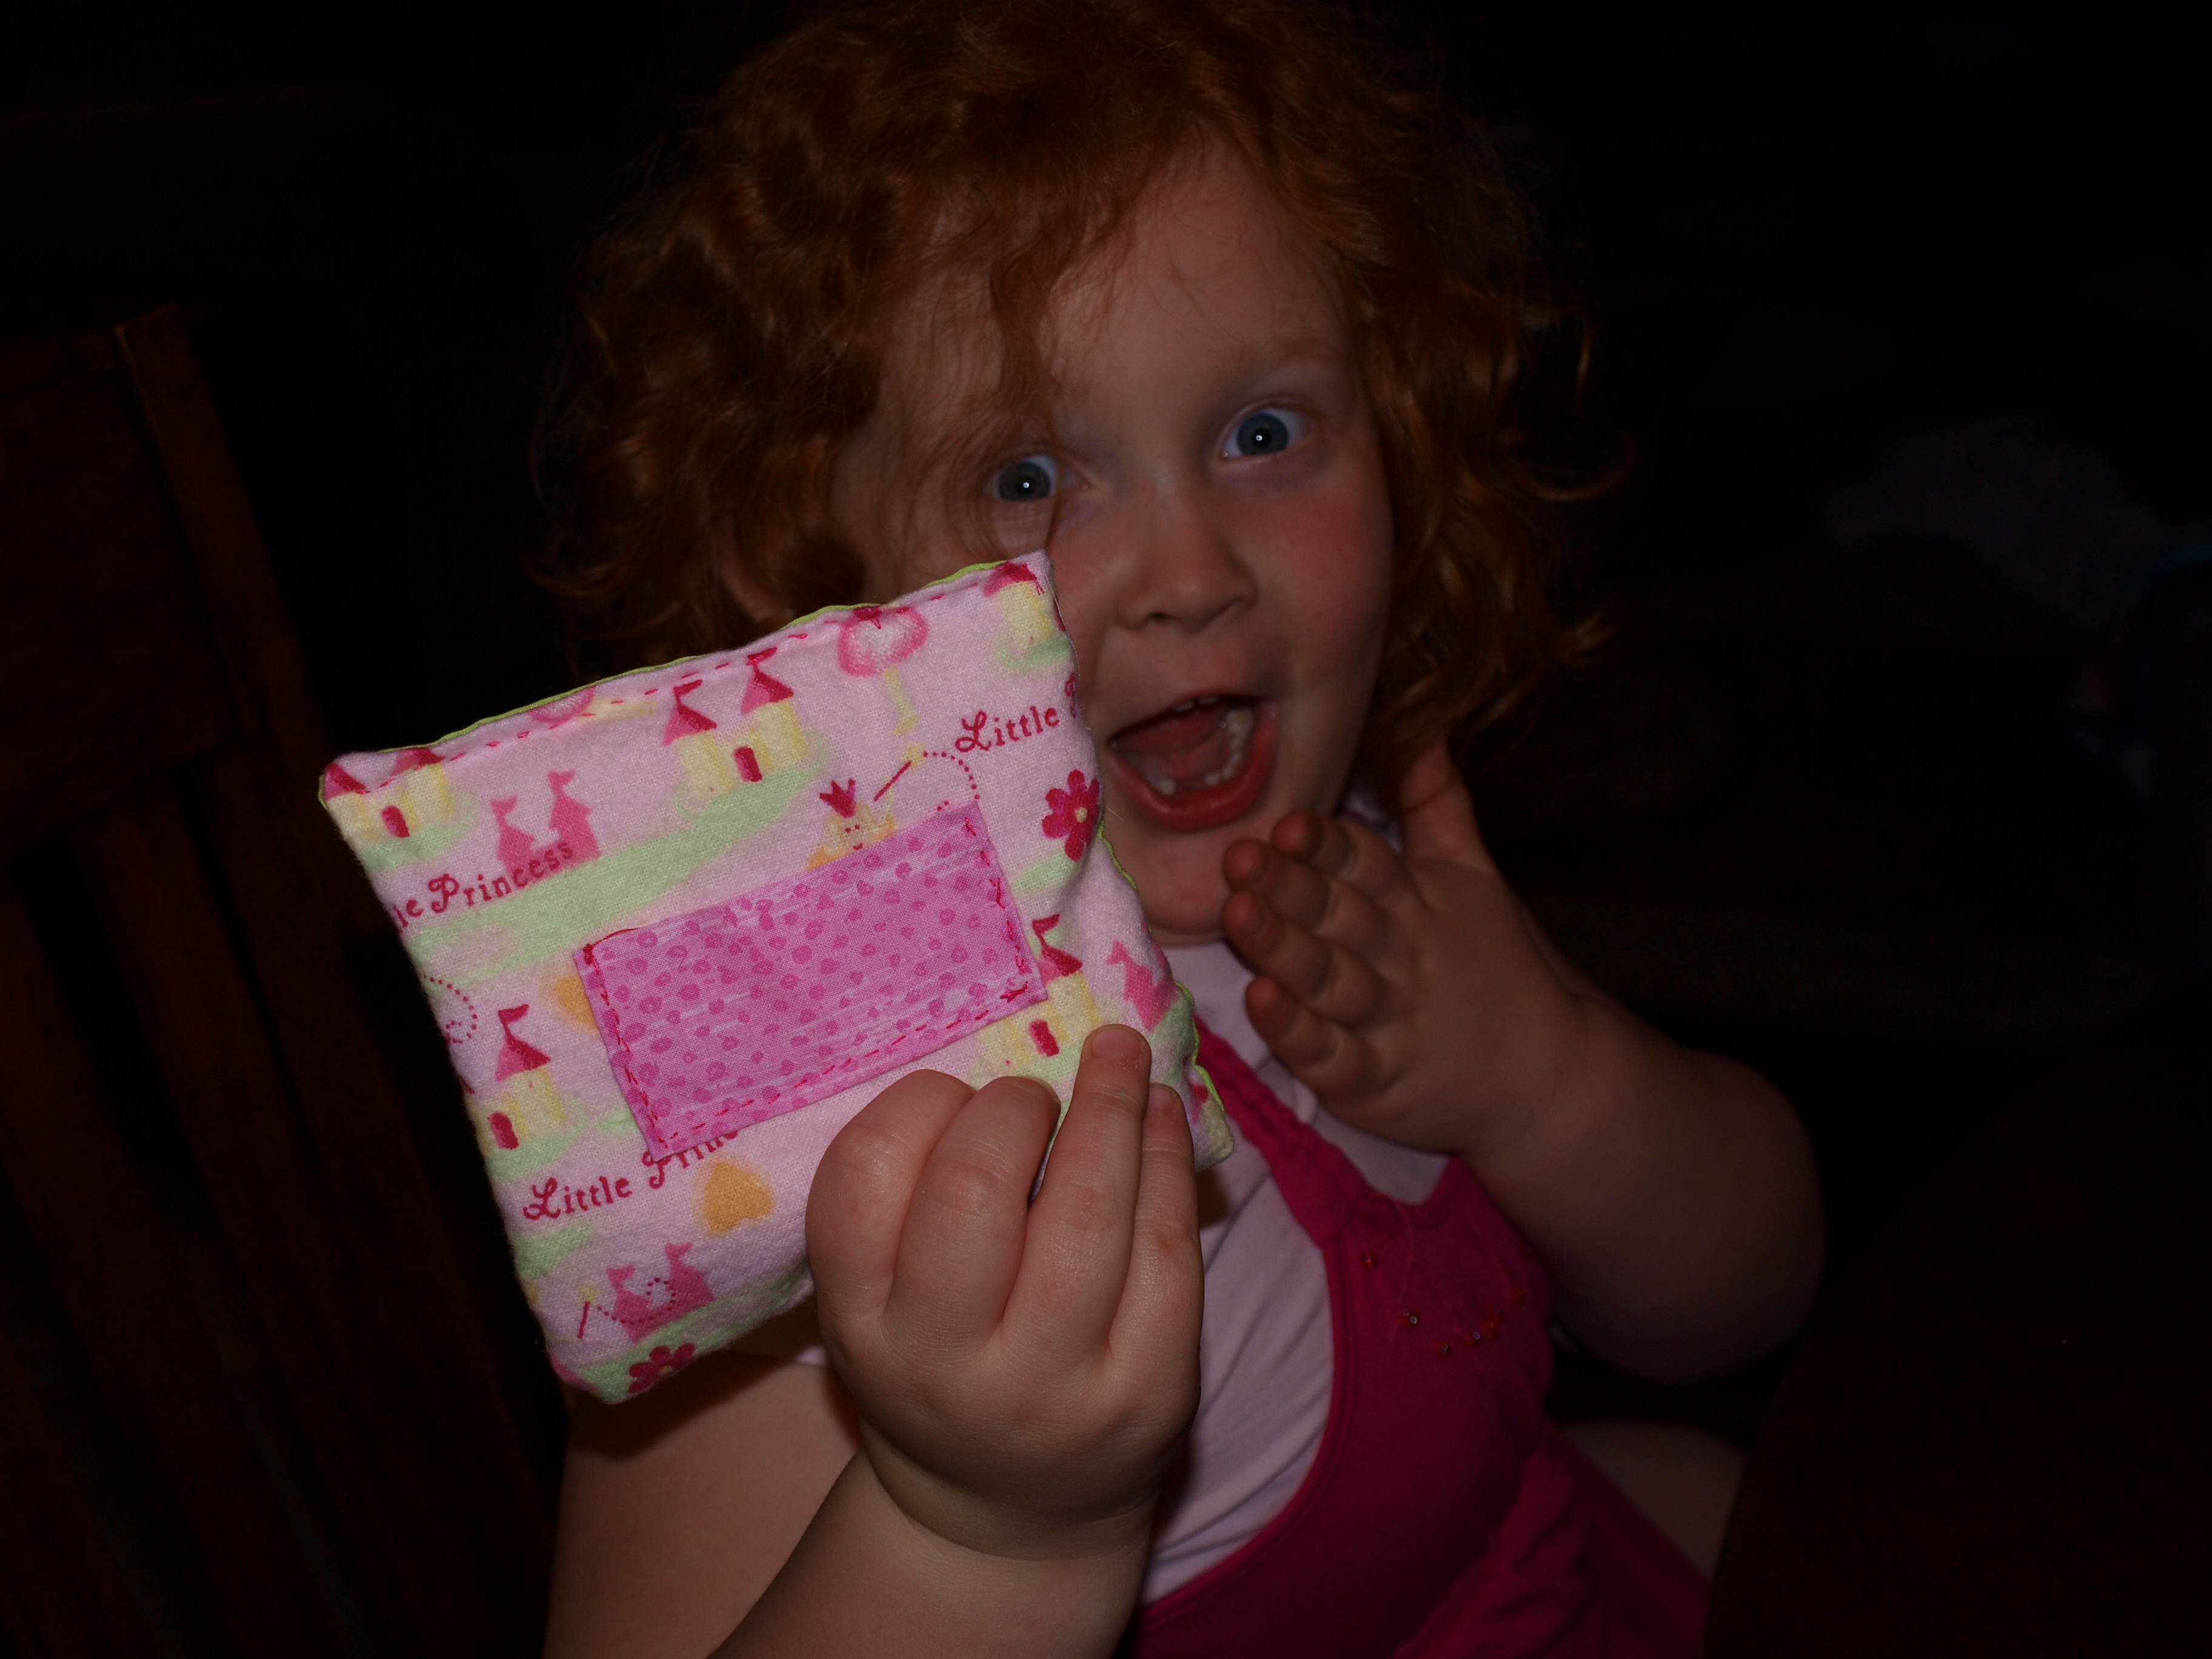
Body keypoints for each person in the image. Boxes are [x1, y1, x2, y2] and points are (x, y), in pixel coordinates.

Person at [535, 1, 1825, 1653]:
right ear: (807, 578)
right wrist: (970, 1524)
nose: (1194, 571)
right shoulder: (801, 1118)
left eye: (1262, 435)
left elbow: (1745, 1303)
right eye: (1027, 480)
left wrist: (1546, 1076)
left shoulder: (1368, 854)